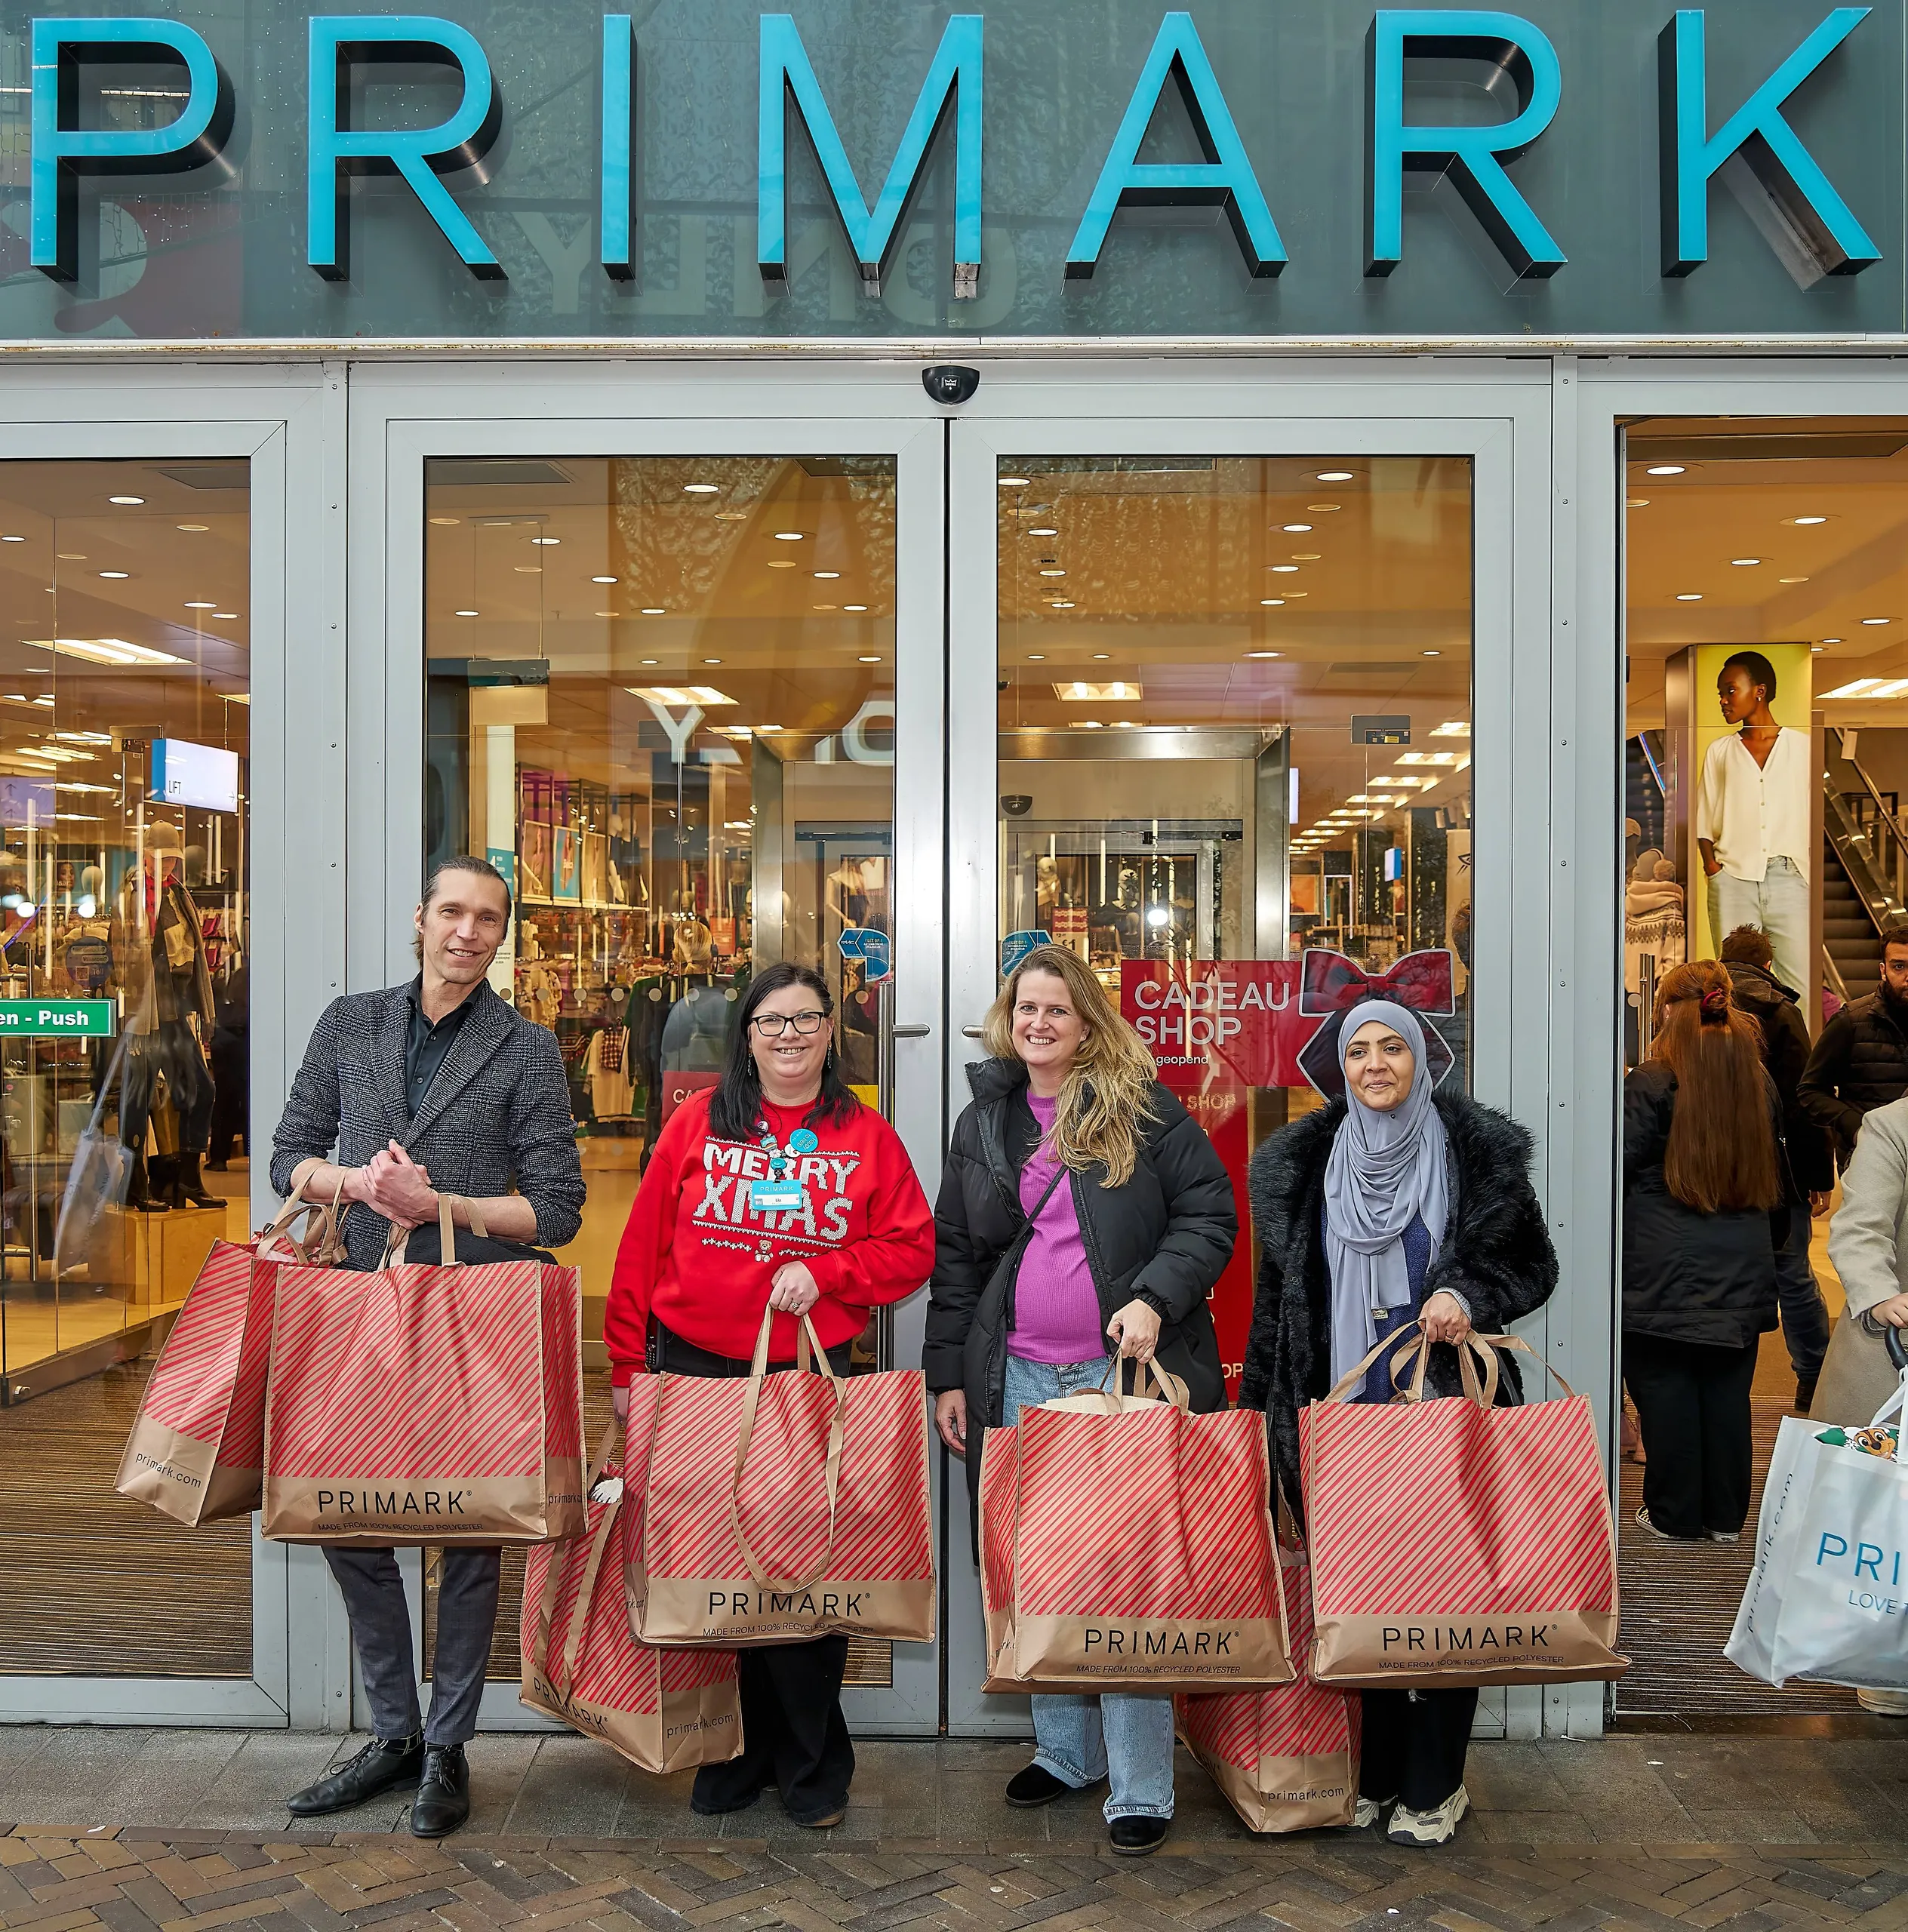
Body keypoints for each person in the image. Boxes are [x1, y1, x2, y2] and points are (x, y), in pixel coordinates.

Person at [270, 855, 586, 1838]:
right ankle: (394, 1735)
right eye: (453, 911)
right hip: (357, 1312)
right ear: (420, 918)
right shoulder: (349, 1024)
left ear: (501, 936)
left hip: (471, 1323)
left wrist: (437, 1205)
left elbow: (560, 1210)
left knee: (469, 1536)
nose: (467, 931)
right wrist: (354, 1188)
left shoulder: (526, 1049)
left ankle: (448, 1750)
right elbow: (288, 1154)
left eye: (488, 919)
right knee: (352, 1526)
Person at [603, 960, 934, 1831]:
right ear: (745, 1037)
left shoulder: (865, 1136)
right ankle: (735, 1750)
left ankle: (812, 1760)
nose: (789, 1035)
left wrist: (826, 1271)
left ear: (832, 1029)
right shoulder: (693, 1127)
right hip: (694, 1376)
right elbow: (640, 1251)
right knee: (714, 1570)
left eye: (805, 1019)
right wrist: (627, 1374)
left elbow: (910, 1250)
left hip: (802, 1382)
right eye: (770, 1021)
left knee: (800, 1570)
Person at [925, 944, 1235, 1860]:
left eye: (1057, 1009)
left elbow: (1207, 1214)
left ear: (1088, 1020)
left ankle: (1141, 1782)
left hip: (1118, 1383)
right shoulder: (985, 1118)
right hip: (1013, 1378)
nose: (1039, 1024)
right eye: (1026, 1008)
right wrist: (949, 1374)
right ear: (1006, 1017)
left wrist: (1154, 1296)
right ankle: (1066, 1755)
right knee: (1032, 1571)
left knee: (1122, 1580)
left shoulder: (1140, 1108)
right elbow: (957, 1257)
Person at [1239, 999, 1557, 1850]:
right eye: (1357, 1051)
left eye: (1392, 1048)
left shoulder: (1471, 1157)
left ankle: (1434, 1782)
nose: (1374, 1064)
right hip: (1338, 1417)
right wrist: (1259, 1426)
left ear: (1422, 1059)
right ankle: (1376, 1774)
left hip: (1441, 1416)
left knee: (1446, 1598)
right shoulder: (1303, 1168)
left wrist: (1466, 1291)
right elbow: (1277, 1307)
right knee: (1358, 1599)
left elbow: (1533, 1264)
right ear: (1336, 1067)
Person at [1623, 961, 1785, 1547]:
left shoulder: (1651, 1080)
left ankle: (1674, 1515)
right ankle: (1724, 1518)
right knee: (1725, 1395)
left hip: (1660, 1269)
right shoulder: (1757, 1080)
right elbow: (1779, 1177)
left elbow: (1620, 1170)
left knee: (1665, 1392)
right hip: (1742, 1264)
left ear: (1667, 1011)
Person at [1720, 924, 1834, 1407]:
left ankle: (1726, 1380)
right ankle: (1813, 1376)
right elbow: (1802, 1101)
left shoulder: (1700, 1006)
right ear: (1768, 964)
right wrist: (1815, 1177)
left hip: (1716, 1168)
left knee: (1721, 1275)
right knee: (1794, 1274)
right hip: (1778, 1168)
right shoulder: (1783, 1011)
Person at [1824, 1091, 1908, 1716]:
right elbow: (1860, 1228)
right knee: (1888, 1516)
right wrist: (1881, 1295)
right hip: (1898, 1351)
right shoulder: (1893, 1126)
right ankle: (1889, 1664)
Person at [1696, 651, 1810, 993]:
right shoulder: (1720, 751)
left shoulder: (1802, 747)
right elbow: (1705, 814)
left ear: (1759, 691)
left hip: (1791, 877)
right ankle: (1742, 1048)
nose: (1723, 700)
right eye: (1720, 693)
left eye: (1730, 690)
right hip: (1732, 878)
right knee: (1734, 983)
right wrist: (1714, 869)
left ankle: (1796, 1048)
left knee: (1797, 982)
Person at [1800, 917, 1908, 1168]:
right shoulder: (1850, 1021)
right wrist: (1858, 1128)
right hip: (1869, 1160)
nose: (1906, 977)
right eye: (1899, 967)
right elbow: (1810, 1091)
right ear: (1883, 970)